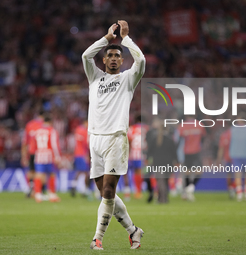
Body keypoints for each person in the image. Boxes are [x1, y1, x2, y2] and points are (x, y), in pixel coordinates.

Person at [82, 20, 145, 250]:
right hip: (95, 139)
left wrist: (126, 39)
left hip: (116, 138)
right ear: (105, 59)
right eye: (110, 55)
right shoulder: (95, 77)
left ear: (122, 59)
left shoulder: (128, 79)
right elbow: (85, 56)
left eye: (119, 55)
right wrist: (108, 38)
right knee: (105, 194)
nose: (115, 58)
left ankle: (97, 238)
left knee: (108, 191)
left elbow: (142, 60)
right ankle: (133, 230)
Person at [31, 113, 61, 203]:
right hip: (48, 155)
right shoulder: (52, 131)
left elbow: (33, 145)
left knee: (39, 174)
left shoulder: (37, 131)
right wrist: (57, 157)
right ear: (50, 122)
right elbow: (54, 145)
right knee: (51, 174)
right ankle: (51, 194)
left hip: (39, 155)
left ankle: (38, 195)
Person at [178, 116, 206, 201]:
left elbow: (179, 140)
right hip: (196, 151)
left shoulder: (182, 126)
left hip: (186, 152)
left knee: (187, 173)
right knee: (199, 171)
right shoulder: (199, 124)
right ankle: (190, 187)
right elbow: (203, 137)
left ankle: (187, 190)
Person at [229, 115, 246, 201]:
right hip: (244, 155)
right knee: (245, 174)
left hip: (239, 155)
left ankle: (241, 194)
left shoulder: (232, 129)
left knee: (240, 174)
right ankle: (244, 194)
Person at [21, 109, 44, 198]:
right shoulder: (44, 125)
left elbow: (24, 142)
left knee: (31, 171)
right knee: (40, 172)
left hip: (31, 152)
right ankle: (39, 190)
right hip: (41, 152)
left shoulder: (29, 125)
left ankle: (31, 187)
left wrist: (23, 156)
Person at [127, 115, 149, 200]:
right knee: (148, 172)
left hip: (134, 153)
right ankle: (154, 191)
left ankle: (138, 191)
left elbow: (128, 141)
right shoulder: (147, 128)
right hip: (145, 153)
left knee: (136, 172)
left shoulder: (131, 129)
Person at [71, 120, 91, 198]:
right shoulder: (85, 131)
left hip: (76, 153)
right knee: (87, 172)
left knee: (78, 171)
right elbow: (87, 143)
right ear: (86, 122)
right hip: (83, 154)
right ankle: (84, 190)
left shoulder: (78, 129)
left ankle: (73, 186)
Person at [217, 128, 235, 199]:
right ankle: (235, 189)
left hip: (228, 158)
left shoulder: (224, 135)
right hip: (236, 157)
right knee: (237, 174)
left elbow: (221, 148)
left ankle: (231, 189)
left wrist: (219, 159)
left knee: (230, 175)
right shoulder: (236, 134)